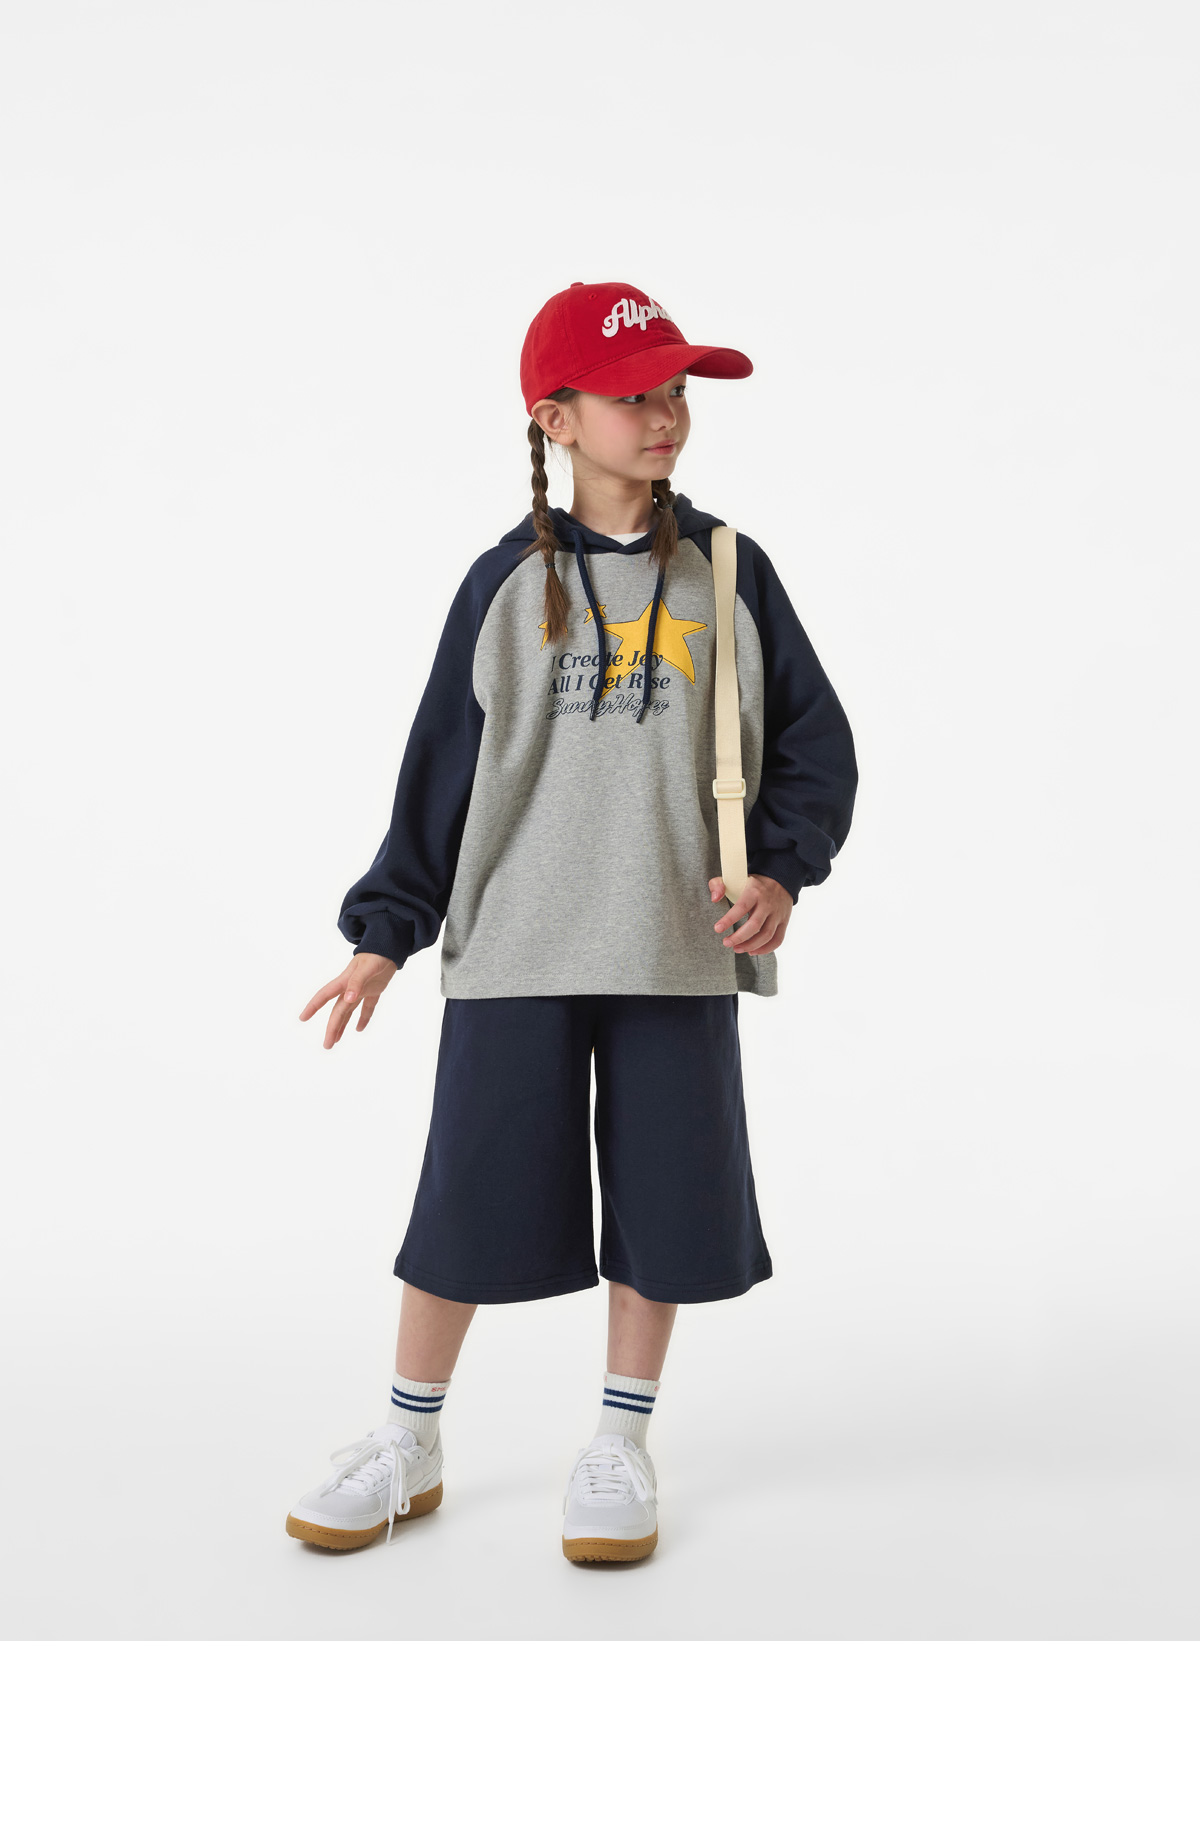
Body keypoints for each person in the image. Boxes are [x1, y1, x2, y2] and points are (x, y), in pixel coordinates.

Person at [285, 281, 859, 1562]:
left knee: (661, 1198)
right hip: (518, 944)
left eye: (677, 390)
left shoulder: (731, 569)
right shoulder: (501, 582)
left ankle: (619, 1437)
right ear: (554, 417)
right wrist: (386, 929)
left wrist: (781, 870)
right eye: (634, 393)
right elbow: (441, 767)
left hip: (676, 942)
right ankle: (409, 1435)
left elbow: (814, 745)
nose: (666, 414)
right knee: (468, 1193)